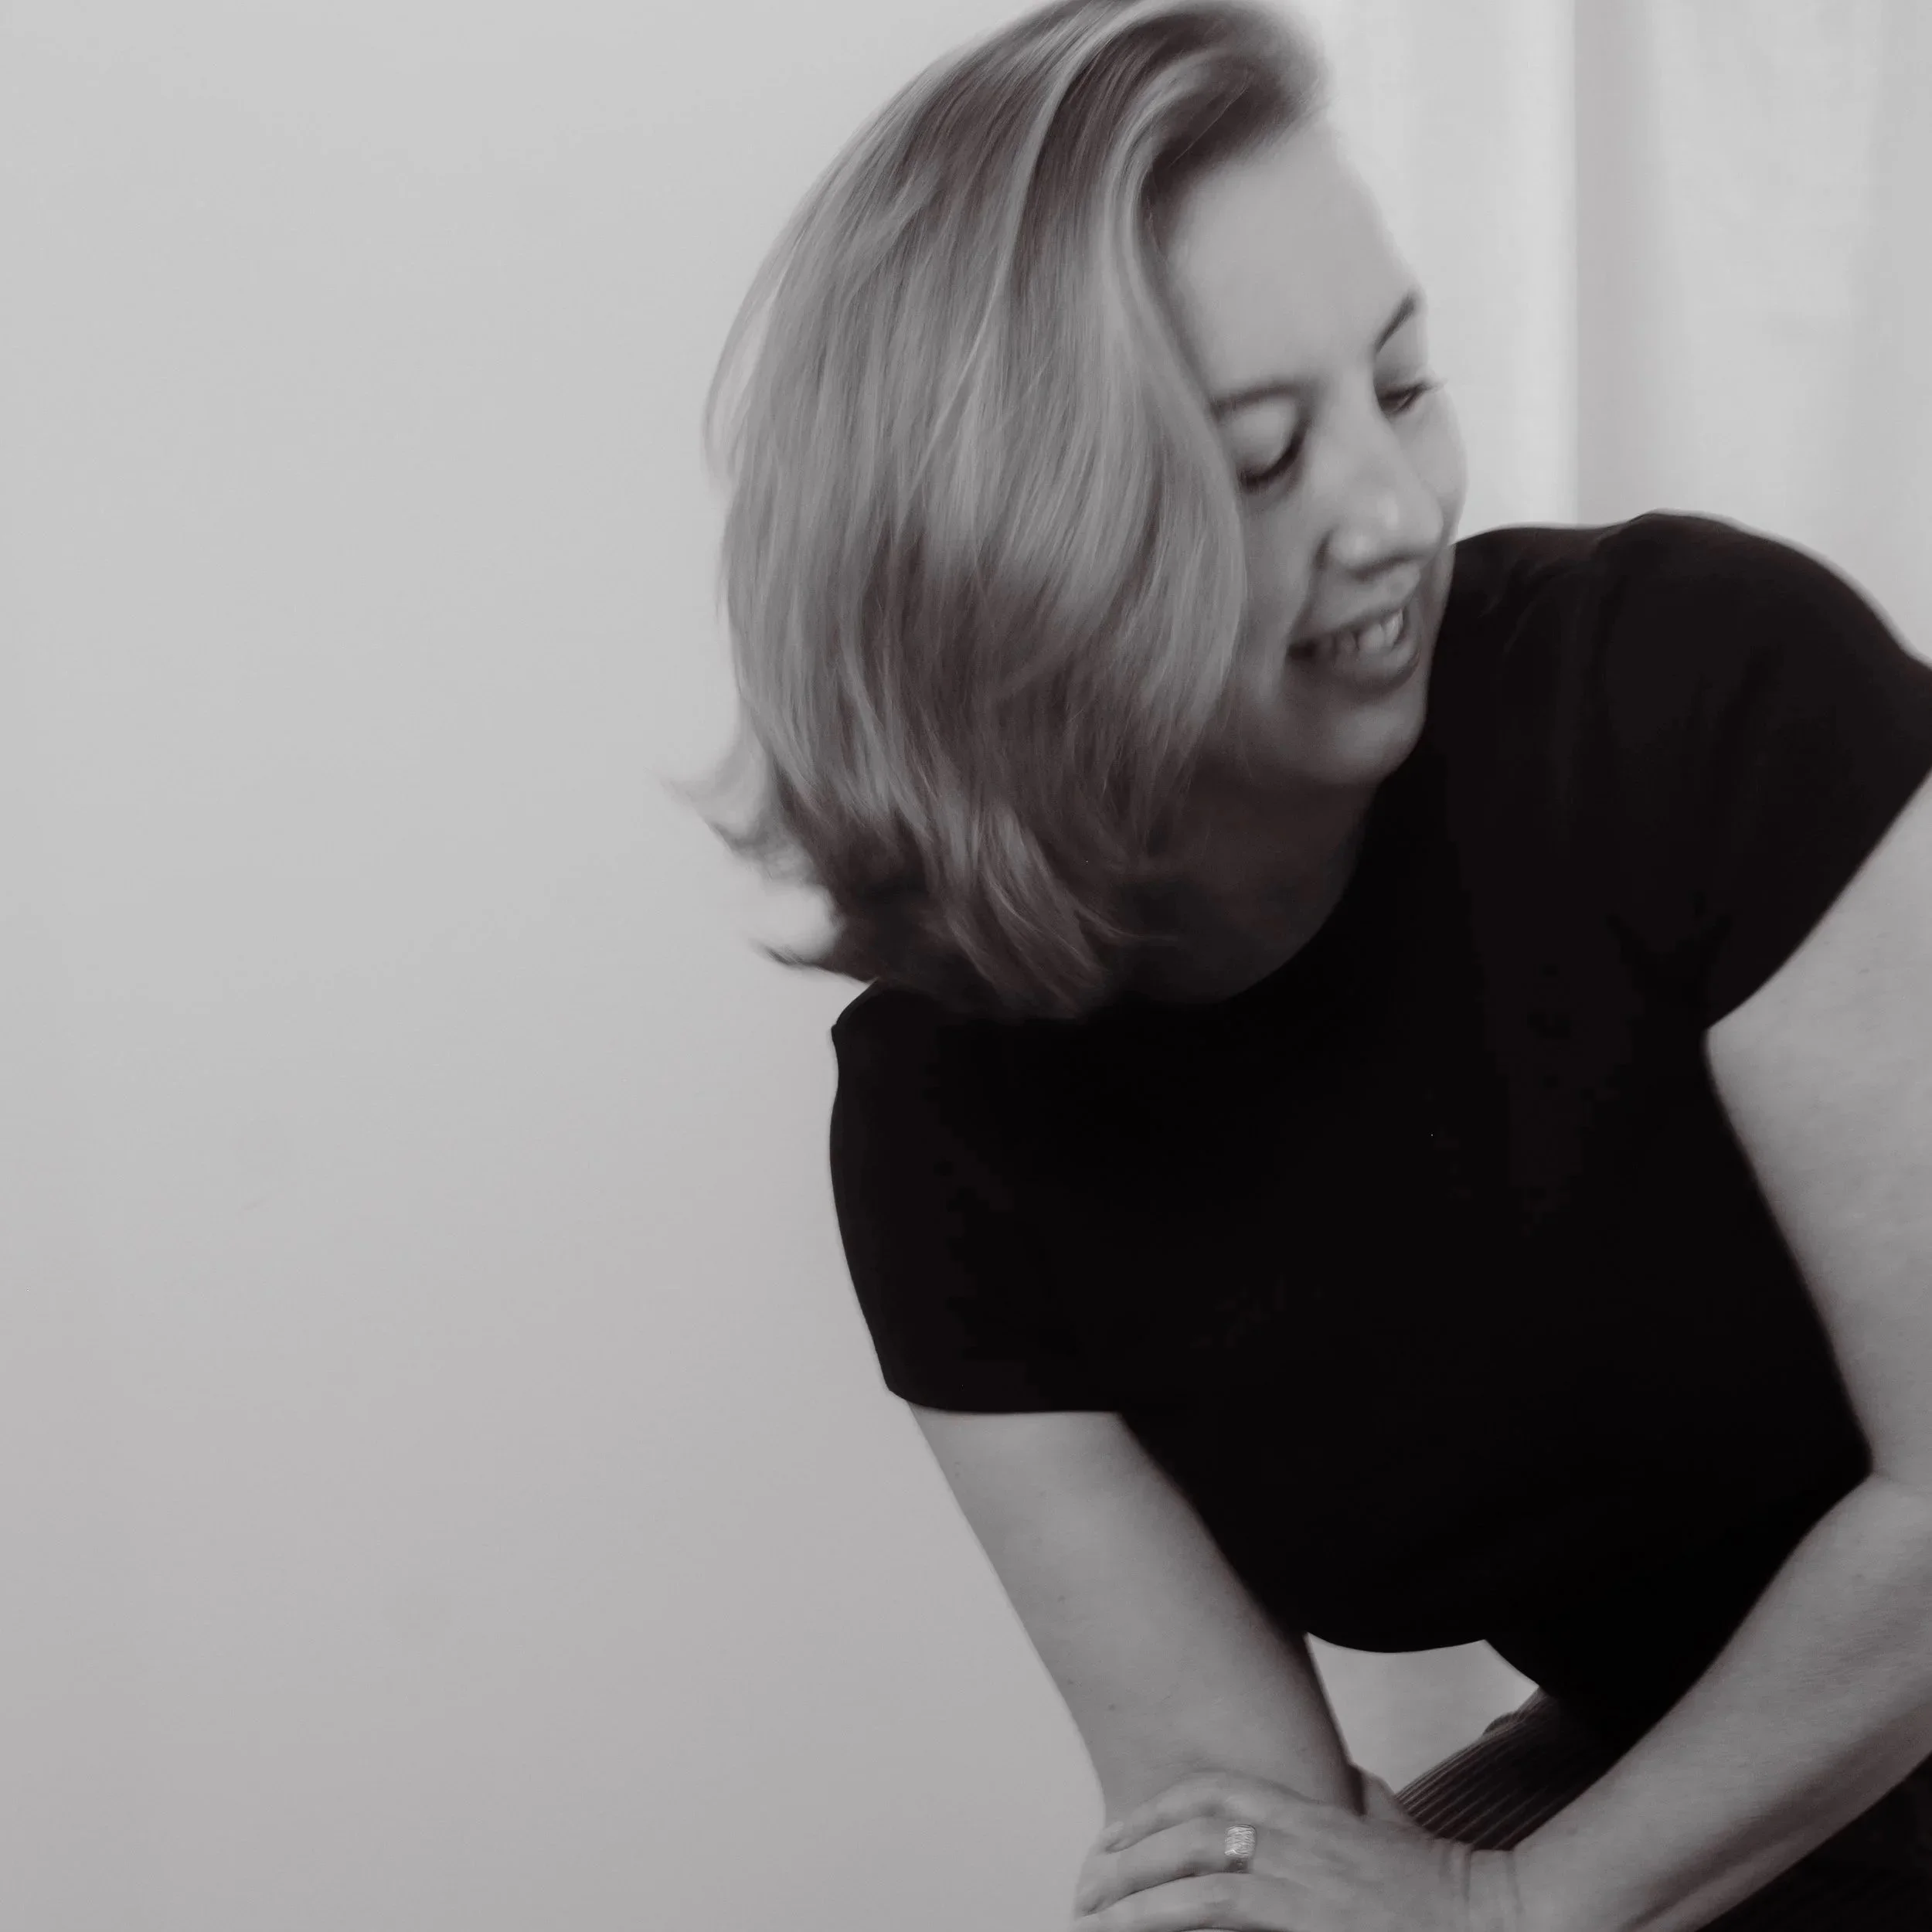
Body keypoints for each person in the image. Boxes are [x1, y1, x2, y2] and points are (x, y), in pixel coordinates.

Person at [702, 2, 1932, 1925]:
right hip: (1708, 1774)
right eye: (1263, 461)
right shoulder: (948, 1122)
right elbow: (1233, 1835)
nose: (1392, 510)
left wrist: (1517, 1910)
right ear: (1012, 561)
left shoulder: (1700, 692)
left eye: (1400, 382)